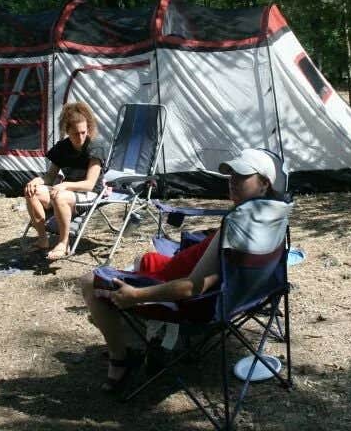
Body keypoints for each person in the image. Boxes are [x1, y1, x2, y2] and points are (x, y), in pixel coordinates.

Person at [78, 148, 291, 393]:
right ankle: (149, 340)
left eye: (241, 176)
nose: (231, 181)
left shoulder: (235, 227)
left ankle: (121, 359)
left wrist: (135, 296)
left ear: (264, 184)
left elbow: (192, 287)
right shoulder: (274, 215)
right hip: (246, 295)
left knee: (88, 282)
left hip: (197, 305)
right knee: (142, 260)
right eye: (231, 174)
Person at [24, 101, 107, 260]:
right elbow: (49, 177)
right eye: (76, 133)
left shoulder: (96, 146)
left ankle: (63, 243)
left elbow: (89, 184)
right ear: (67, 130)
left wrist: (65, 185)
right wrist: (37, 181)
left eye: (84, 132)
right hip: (67, 192)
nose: (81, 137)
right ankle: (43, 239)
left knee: (60, 195)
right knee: (32, 192)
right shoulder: (62, 147)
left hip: (90, 194)